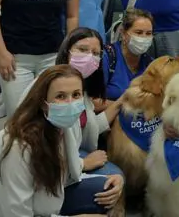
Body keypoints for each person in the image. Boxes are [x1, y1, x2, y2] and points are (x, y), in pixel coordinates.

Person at [0, 65, 123, 217]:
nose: (70, 103)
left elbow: (63, 171)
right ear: (43, 104)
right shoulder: (17, 148)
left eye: (76, 95)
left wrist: (113, 178)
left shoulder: (62, 127)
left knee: (106, 188)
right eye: (60, 96)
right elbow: (17, 213)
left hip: (43, 201)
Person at [17, 27, 125, 215]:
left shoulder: (80, 89)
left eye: (96, 53)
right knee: (107, 186)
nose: (89, 57)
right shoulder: (43, 86)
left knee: (118, 177)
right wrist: (83, 164)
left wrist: (120, 103)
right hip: (43, 175)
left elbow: (88, 126)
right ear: (67, 50)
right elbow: (39, 159)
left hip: (71, 156)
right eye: (82, 49)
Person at [98, 8, 154, 111]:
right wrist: (126, 107)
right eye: (139, 32)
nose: (144, 38)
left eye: (148, 33)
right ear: (123, 34)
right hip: (107, 121)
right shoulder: (107, 57)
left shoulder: (150, 63)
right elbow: (93, 101)